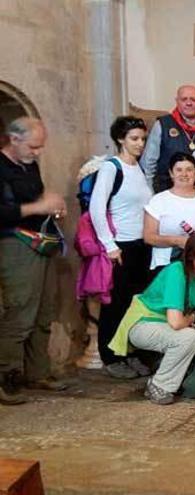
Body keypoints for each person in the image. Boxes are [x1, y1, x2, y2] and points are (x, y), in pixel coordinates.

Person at [0, 117, 67, 404]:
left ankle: (37, 372)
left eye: (41, 147)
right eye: (33, 146)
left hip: (40, 243)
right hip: (15, 244)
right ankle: (7, 378)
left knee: (43, 310)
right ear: (13, 139)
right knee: (20, 312)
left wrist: (51, 203)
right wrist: (39, 206)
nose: (38, 152)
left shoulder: (28, 164)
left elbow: (34, 197)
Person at [108, 233, 195, 405]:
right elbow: (176, 323)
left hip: (173, 322)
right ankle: (159, 385)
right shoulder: (177, 271)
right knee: (189, 337)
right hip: (145, 323)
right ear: (191, 255)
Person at [91, 116, 154, 380]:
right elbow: (97, 206)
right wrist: (109, 245)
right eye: (134, 139)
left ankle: (130, 352)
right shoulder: (111, 168)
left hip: (142, 244)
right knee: (115, 304)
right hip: (122, 246)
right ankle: (110, 356)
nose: (140, 144)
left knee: (134, 303)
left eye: (142, 139)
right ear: (120, 139)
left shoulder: (137, 168)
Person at [143, 152, 195, 272]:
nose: (184, 174)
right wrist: (178, 241)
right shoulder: (158, 200)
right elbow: (149, 237)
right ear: (171, 173)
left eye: (189, 170)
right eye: (179, 170)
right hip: (168, 265)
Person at [141, 85, 195, 192]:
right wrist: (150, 194)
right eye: (184, 99)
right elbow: (148, 165)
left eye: (193, 100)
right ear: (177, 101)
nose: (189, 103)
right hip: (166, 191)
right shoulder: (163, 124)